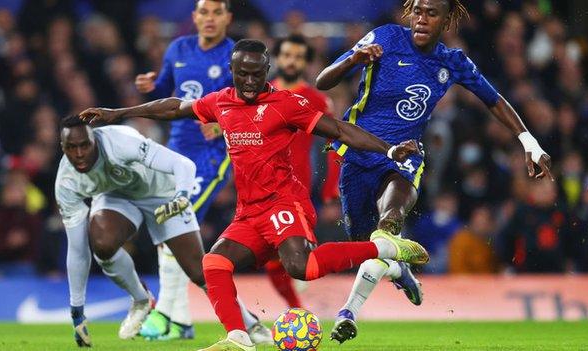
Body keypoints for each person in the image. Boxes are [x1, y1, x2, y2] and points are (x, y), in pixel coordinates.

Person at [80, 39, 429, 351]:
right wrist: (118, 113)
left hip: (284, 201)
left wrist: (389, 150)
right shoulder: (222, 102)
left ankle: (385, 248)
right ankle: (239, 337)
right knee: (214, 264)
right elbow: (175, 107)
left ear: (267, 72)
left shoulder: (285, 104)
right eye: (242, 74)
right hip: (248, 212)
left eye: (256, 74)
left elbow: (338, 129)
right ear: (232, 71)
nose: (249, 82)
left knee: (301, 268)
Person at [315, 0, 553, 343]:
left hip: (404, 157)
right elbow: (323, 81)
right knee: (365, 247)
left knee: (391, 220)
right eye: (418, 11)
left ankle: (347, 313)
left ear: (447, 20)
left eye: (432, 13)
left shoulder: (452, 61)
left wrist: (529, 142)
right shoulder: (385, 37)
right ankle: (400, 268)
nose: (422, 20)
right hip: (359, 155)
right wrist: (354, 59)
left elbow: (494, 100)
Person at [55, 115, 264, 347]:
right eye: (71, 148)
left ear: (94, 139)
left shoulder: (121, 144)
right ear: (62, 147)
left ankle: (251, 324)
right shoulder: (66, 183)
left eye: (85, 145)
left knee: (198, 271)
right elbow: (77, 250)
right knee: (102, 244)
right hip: (116, 197)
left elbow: (183, 164)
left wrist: (181, 196)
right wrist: (77, 312)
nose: (80, 153)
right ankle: (141, 300)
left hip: (162, 194)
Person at [134, 0, 264, 341]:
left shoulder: (235, 57)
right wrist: (151, 85)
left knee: (175, 220)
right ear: (194, 17)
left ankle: (168, 315)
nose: (209, 18)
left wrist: (224, 124)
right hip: (176, 150)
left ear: (228, 18)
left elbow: (252, 100)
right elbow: (167, 91)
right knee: (169, 229)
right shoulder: (179, 48)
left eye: (216, 12)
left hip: (211, 155)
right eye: (203, 12)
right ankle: (238, 322)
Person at [264, 34, 339, 308]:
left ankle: (297, 306)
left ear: (306, 62)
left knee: (292, 255)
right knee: (272, 257)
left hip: (296, 189)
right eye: (286, 55)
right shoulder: (262, 93)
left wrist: (332, 189)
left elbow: (335, 143)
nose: (291, 61)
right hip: (260, 187)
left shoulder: (315, 100)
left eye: (298, 56)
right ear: (277, 58)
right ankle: (296, 308)